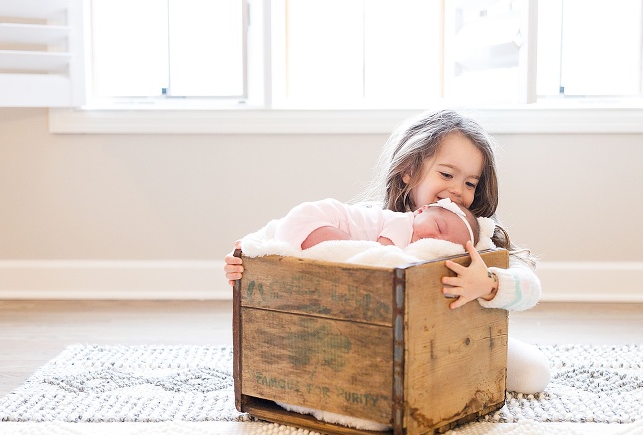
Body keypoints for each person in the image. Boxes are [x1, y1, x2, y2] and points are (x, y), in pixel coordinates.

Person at [224, 109, 550, 395]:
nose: (457, 190)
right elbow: (286, 232)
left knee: (533, 374)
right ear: (409, 170)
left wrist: (490, 284)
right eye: (447, 174)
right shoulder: (371, 220)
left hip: (456, 339)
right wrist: (248, 257)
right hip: (379, 338)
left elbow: (529, 286)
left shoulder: (471, 237)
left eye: (469, 183)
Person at [273, 197, 479, 250]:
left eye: (445, 245)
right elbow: (382, 253)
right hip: (317, 219)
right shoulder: (402, 223)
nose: (435, 239)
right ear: (420, 211)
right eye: (438, 228)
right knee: (352, 252)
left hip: (303, 221)